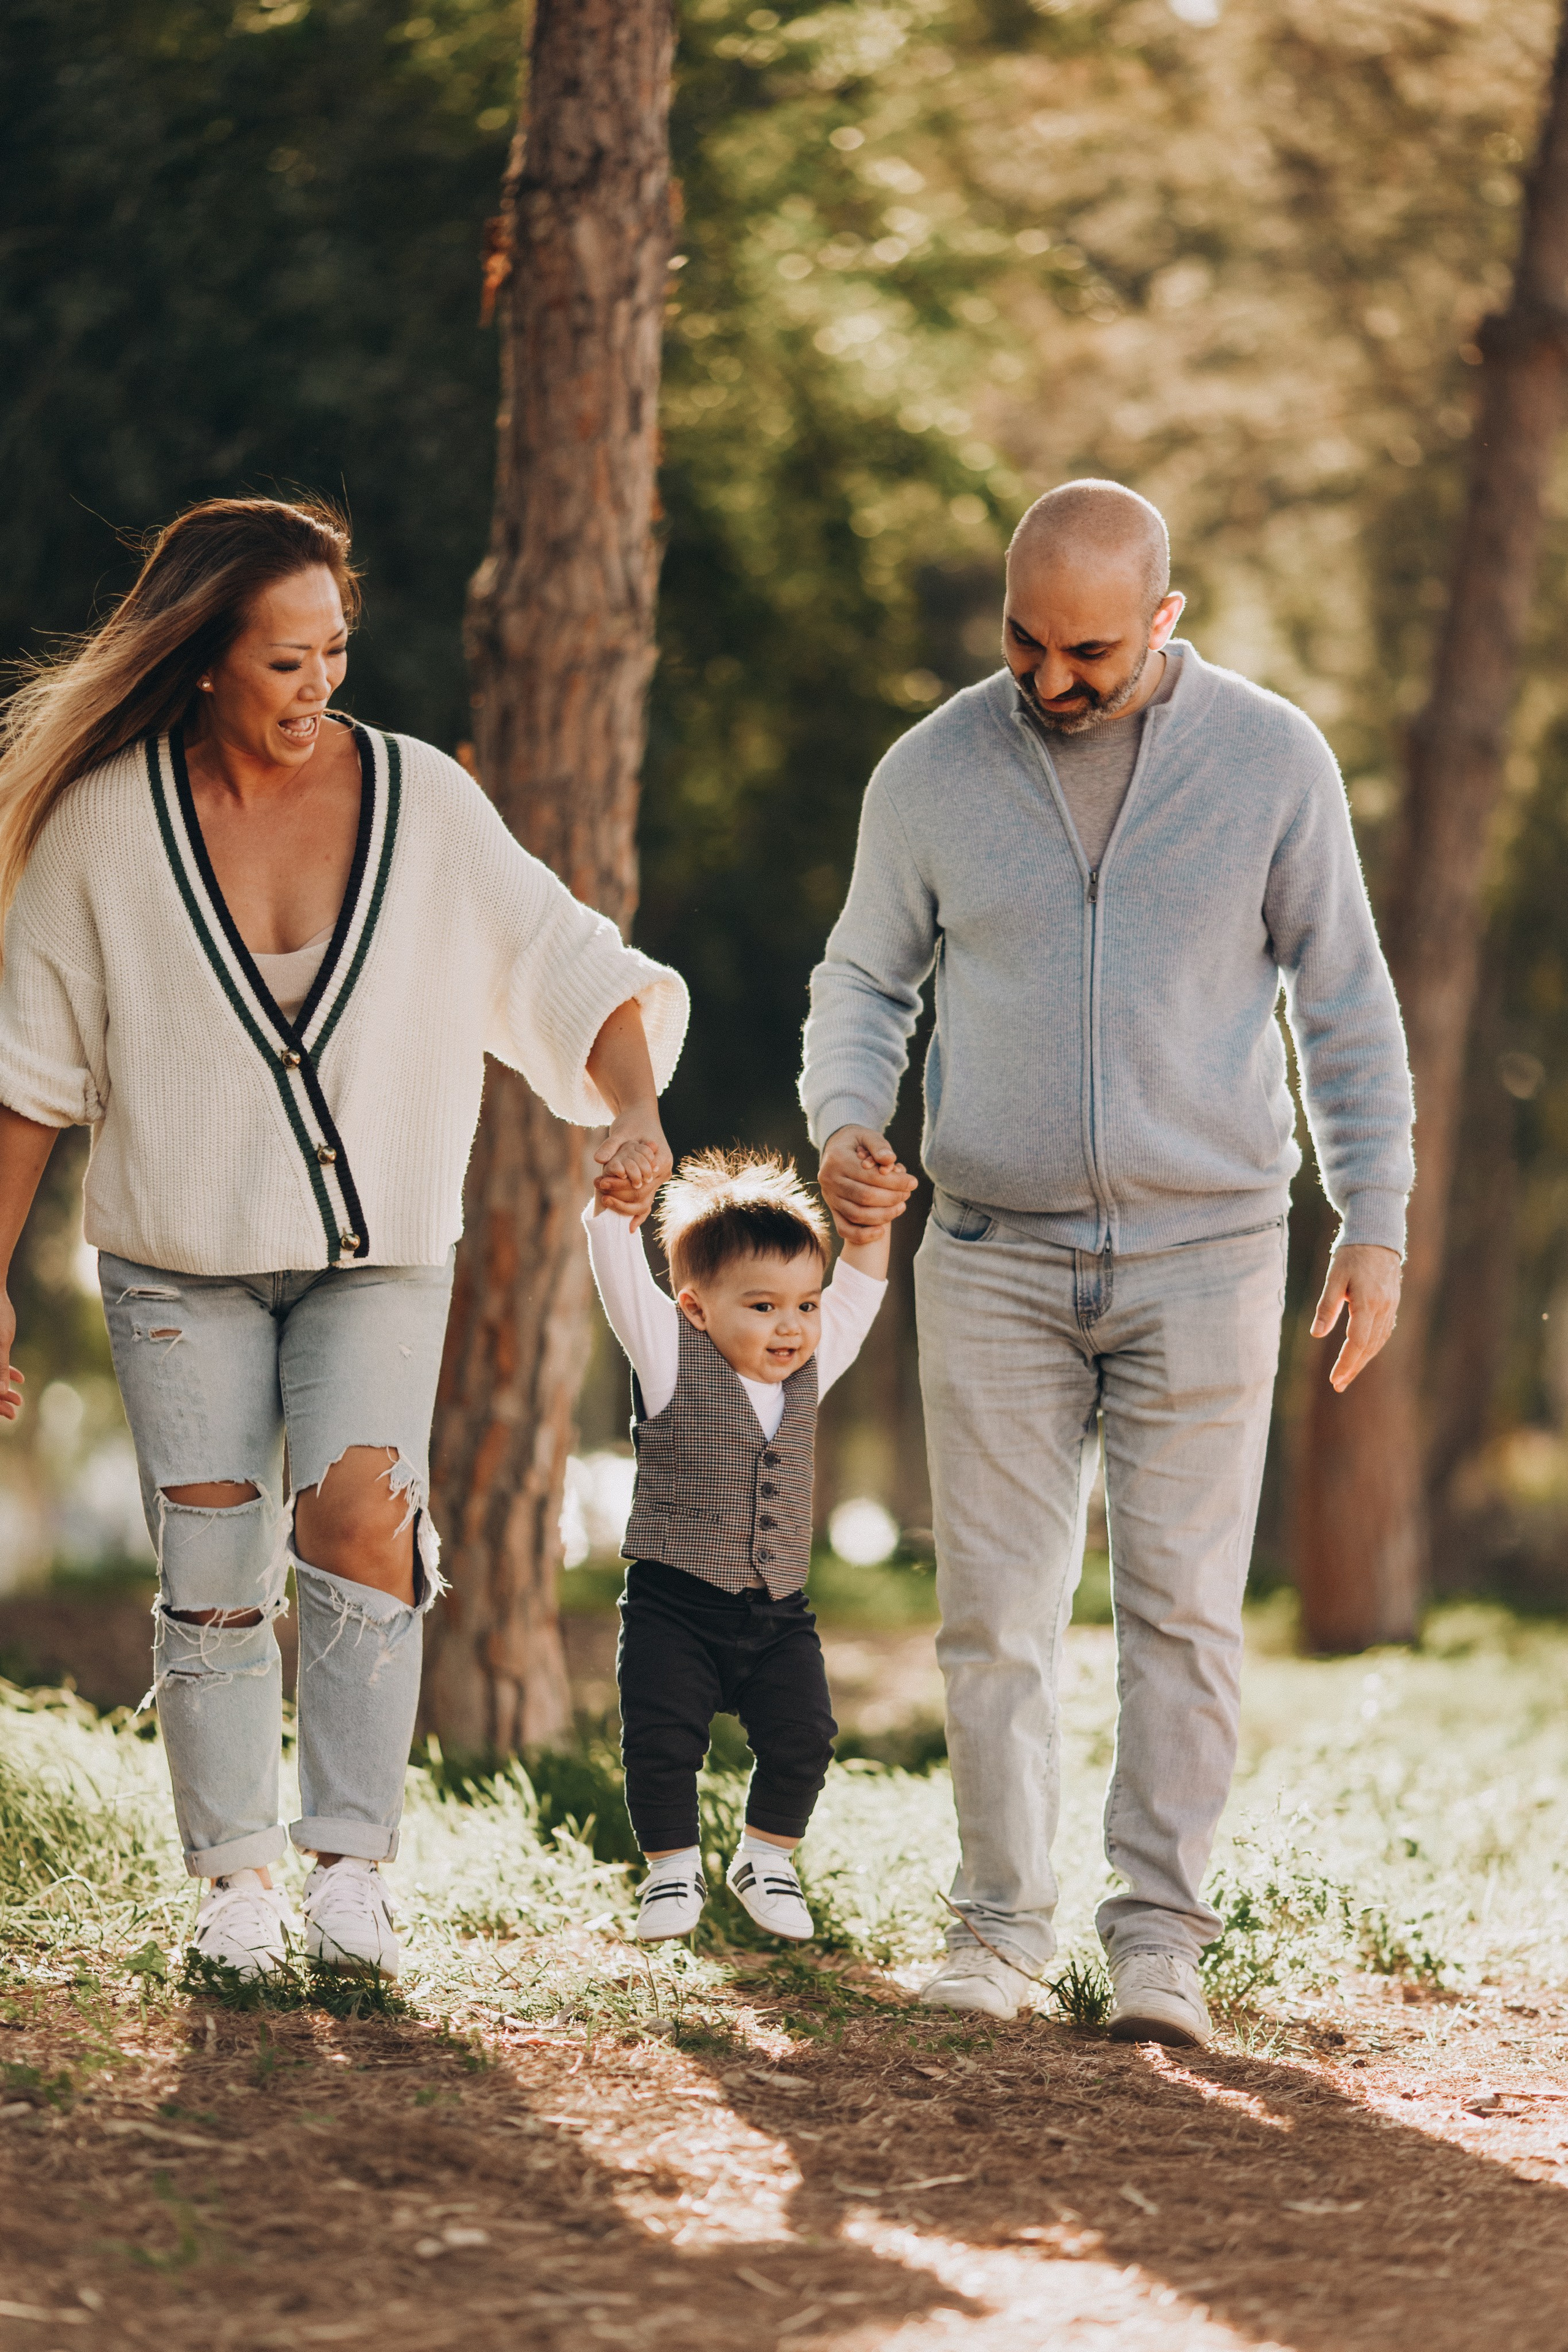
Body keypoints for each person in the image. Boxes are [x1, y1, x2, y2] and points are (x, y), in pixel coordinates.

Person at [0, 496, 686, 1981]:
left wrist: (628, 1109)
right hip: (174, 1259)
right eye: (284, 664)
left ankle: (351, 1868)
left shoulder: (425, 801)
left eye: (335, 653)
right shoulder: (102, 829)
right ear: (199, 662)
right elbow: (28, 1079)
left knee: (363, 1521)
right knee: (213, 1550)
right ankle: (234, 1882)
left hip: (379, 1252)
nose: (320, 689)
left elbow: (570, 962)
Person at [801, 478, 1413, 2043]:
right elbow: (865, 975)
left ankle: (1158, 1949)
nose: (1048, 679)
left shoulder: (1269, 760)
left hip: (1206, 1250)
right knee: (994, 1616)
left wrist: (1375, 1215)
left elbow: (1338, 1000)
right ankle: (998, 1933)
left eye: (1087, 651)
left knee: (1181, 1613)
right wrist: (848, 1117)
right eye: (1023, 640)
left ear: (1163, 618)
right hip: (993, 1254)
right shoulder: (932, 768)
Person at [584, 1143, 906, 1941]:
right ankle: (670, 1872)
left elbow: (863, 1283)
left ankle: (765, 1855)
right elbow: (620, 1270)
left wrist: (872, 1213)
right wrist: (618, 1205)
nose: (790, 1326)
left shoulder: (811, 1369)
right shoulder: (667, 1358)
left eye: (804, 1304)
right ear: (695, 1308)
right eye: (762, 1306)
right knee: (662, 1745)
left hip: (777, 1614)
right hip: (673, 1606)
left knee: (806, 1736)